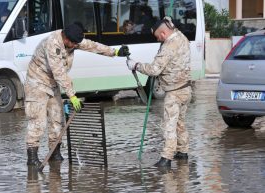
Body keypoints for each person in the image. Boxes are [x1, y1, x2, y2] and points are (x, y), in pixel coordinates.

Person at [25, 23, 130, 167]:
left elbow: (93, 46)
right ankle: (32, 157)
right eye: (74, 44)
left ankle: (55, 153)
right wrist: (72, 96)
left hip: (53, 84)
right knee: (38, 120)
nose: (76, 46)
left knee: (57, 118)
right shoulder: (52, 44)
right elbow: (59, 73)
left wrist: (115, 52)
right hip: (37, 82)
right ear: (66, 39)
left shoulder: (73, 40)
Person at [126, 17, 192, 168]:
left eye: (157, 37)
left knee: (169, 125)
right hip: (186, 89)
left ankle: (166, 159)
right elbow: (170, 24)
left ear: (163, 34)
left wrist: (135, 65)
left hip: (174, 92)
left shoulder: (168, 45)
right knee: (180, 122)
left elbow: (154, 69)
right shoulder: (182, 37)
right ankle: (183, 152)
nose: (158, 40)